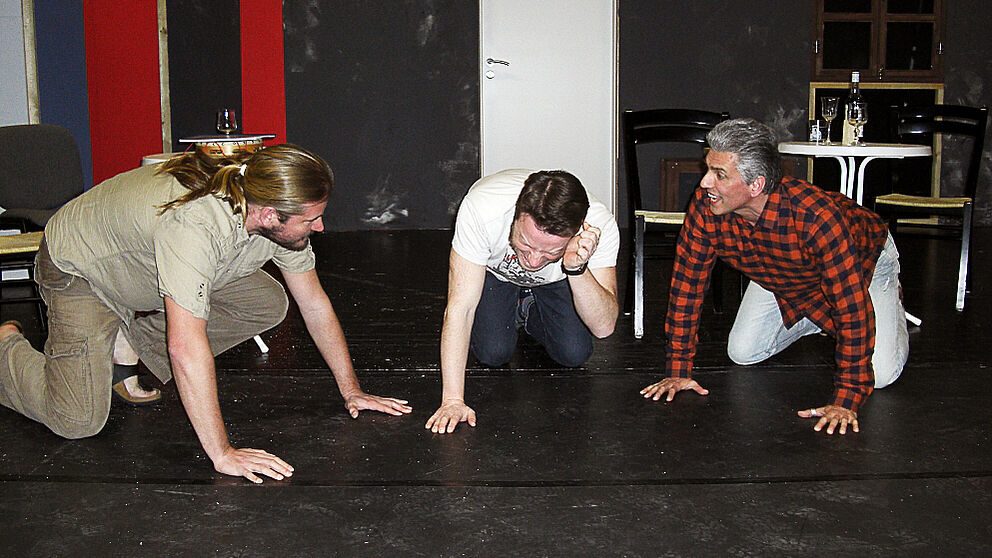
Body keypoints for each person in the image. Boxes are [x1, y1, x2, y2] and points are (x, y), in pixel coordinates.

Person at [0, 144, 411, 483]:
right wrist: (222, 452)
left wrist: (352, 390)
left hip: (144, 267)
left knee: (265, 301)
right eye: (312, 219)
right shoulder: (195, 226)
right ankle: (5, 345)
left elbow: (314, 303)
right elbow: (185, 347)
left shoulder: (265, 206)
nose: (320, 228)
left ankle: (128, 339)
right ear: (270, 214)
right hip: (82, 270)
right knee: (77, 420)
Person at [641, 118, 909, 435]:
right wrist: (678, 369)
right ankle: (817, 317)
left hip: (866, 261)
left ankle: (888, 303)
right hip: (778, 268)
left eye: (719, 174)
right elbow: (687, 286)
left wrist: (846, 398)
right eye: (708, 169)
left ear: (756, 185)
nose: (704, 183)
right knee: (743, 353)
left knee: (880, 375)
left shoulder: (816, 217)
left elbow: (850, 306)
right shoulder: (706, 207)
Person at [426, 169, 620, 434]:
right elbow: (461, 308)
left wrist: (577, 268)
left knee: (574, 353)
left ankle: (526, 307)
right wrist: (452, 401)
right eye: (526, 244)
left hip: (557, 279)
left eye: (551, 251)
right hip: (496, 273)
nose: (534, 261)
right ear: (516, 216)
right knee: (493, 353)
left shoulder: (598, 226)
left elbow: (604, 327)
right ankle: (519, 299)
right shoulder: (483, 208)